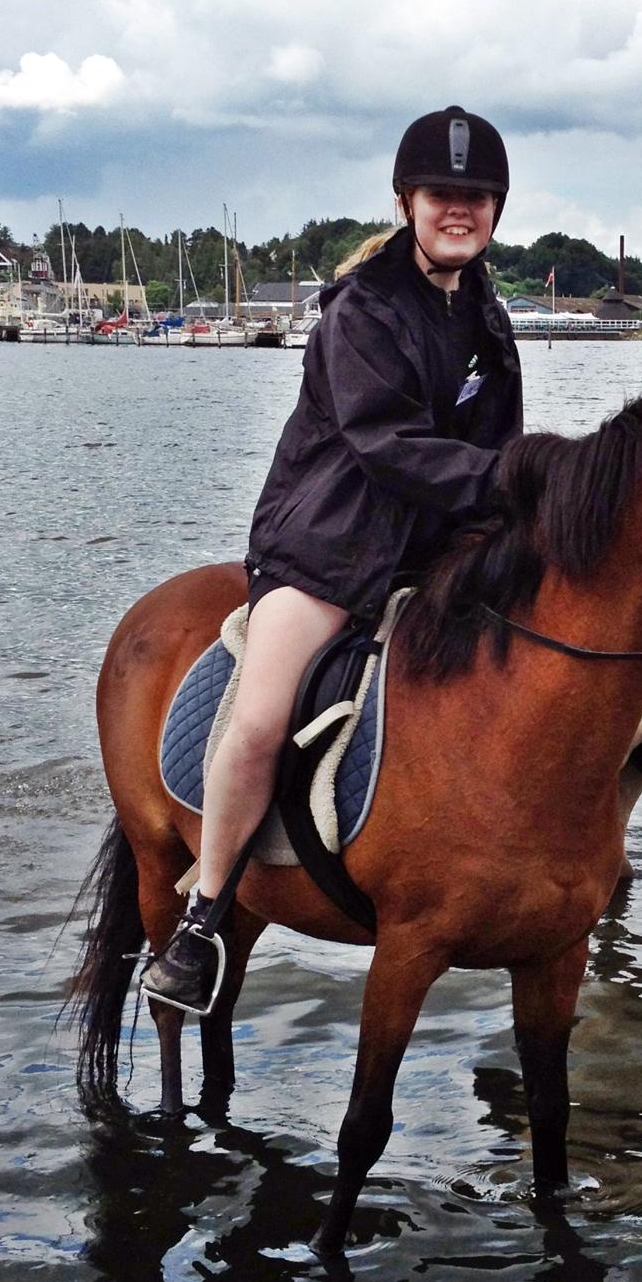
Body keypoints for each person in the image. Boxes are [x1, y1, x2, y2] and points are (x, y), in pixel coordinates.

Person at [143, 106, 523, 1012]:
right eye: (442, 195)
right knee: (266, 715)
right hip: (327, 548)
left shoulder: (487, 314)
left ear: (496, 210)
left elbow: (494, 445)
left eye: (475, 197)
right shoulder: (363, 309)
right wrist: (518, 481)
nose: (458, 211)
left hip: (429, 552)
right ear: (407, 202)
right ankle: (202, 913)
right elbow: (387, 444)